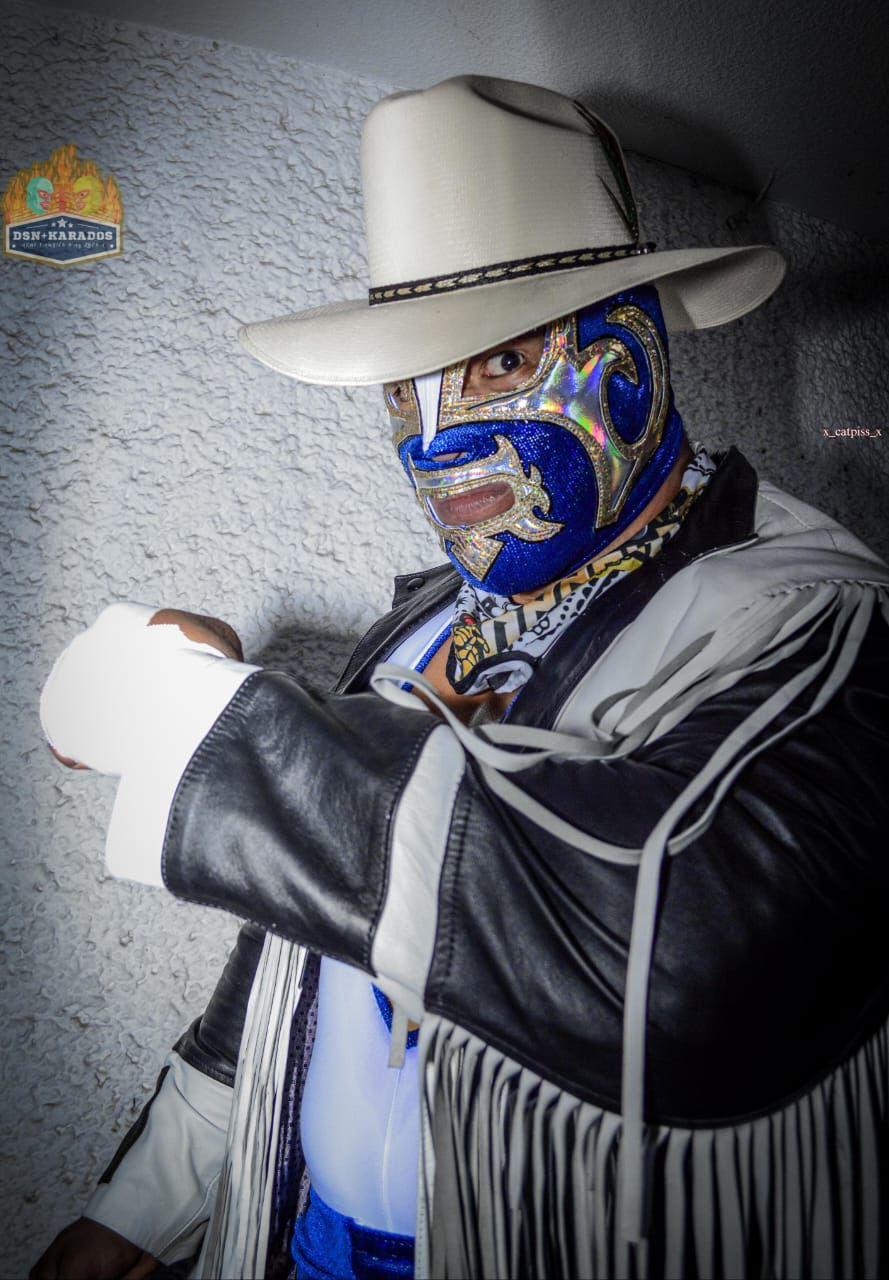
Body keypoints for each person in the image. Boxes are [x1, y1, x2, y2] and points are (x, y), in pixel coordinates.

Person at [31, 75, 889, 1280]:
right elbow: (306, 938)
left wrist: (215, 725)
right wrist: (145, 1199)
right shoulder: (419, 627)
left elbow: (678, 965)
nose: (434, 437)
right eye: (405, 384)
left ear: (632, 344)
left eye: (503, 360)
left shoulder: (819, 621)